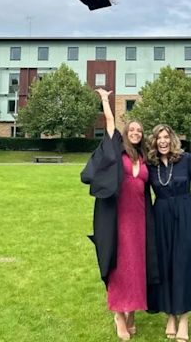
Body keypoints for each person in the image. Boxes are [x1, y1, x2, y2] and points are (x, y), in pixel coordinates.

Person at [81, 88, 158, 341]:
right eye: (132, 130)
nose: (135, 133)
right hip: (118, 217)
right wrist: (104, 99)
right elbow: (111, 123)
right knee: (120, 266)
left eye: (139, 131)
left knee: (137, 265)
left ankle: (133, 310)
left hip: (140, 218)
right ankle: (119, 314)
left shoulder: (145, 158)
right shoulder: (117, 151)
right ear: (126, 134)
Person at [146, 124, 191, 342]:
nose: (162, 141)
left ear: (172, 139)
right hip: (161, 216)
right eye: (158, 138)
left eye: (166, 137)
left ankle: (183, 318)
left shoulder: (186, 159)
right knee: (165, 265)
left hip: (185, 214)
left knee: (182, 264)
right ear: (153, 142)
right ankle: (170, 315)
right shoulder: (151, 165)